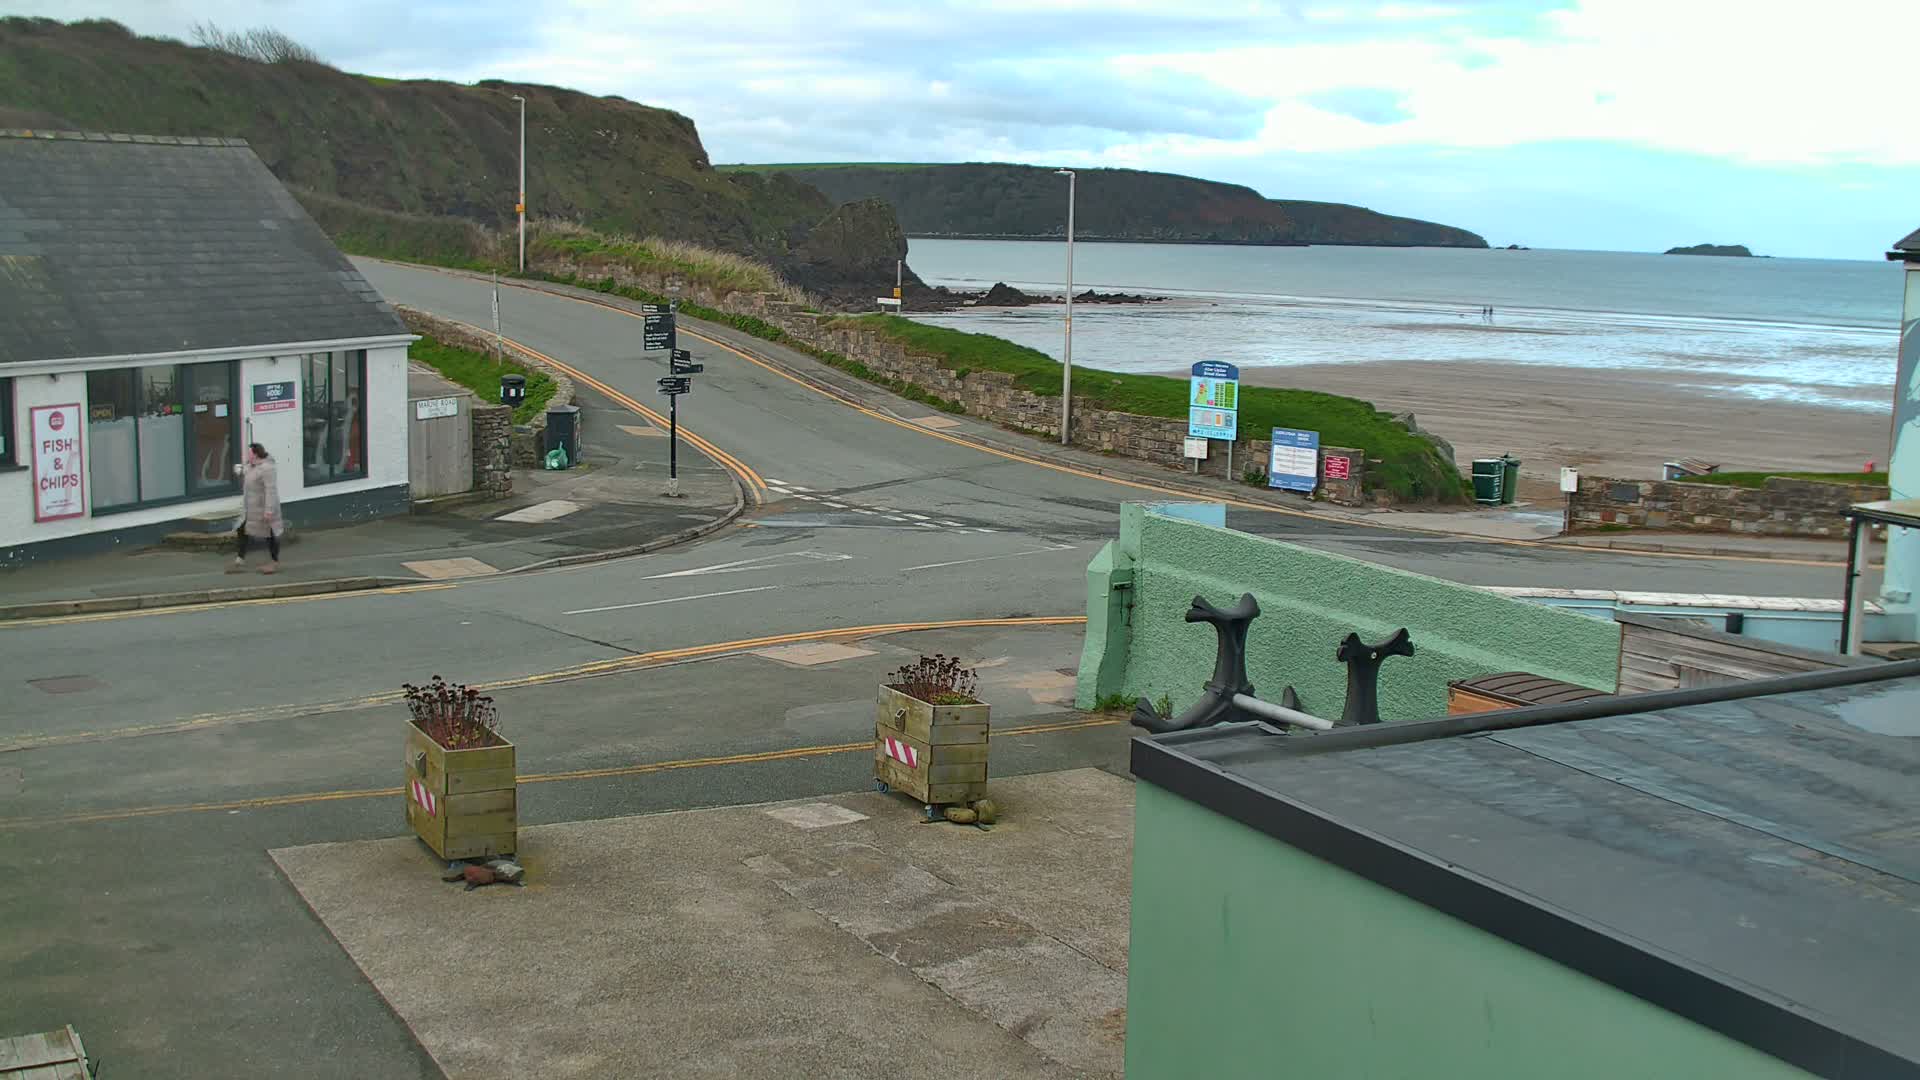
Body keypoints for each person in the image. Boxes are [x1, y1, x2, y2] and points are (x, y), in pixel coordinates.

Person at [232, 442, 283, 575]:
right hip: (252, 508)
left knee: (270, 534)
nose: (247, 455)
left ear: (255, 454)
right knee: (242, 529)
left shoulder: (267, 468)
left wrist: (269, 511)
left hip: (264, 508)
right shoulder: (251, 466)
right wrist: (239, 469)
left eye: (249, 453)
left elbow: (271, 490)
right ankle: (240, 558)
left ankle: (274, 561)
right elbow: (245, 472)